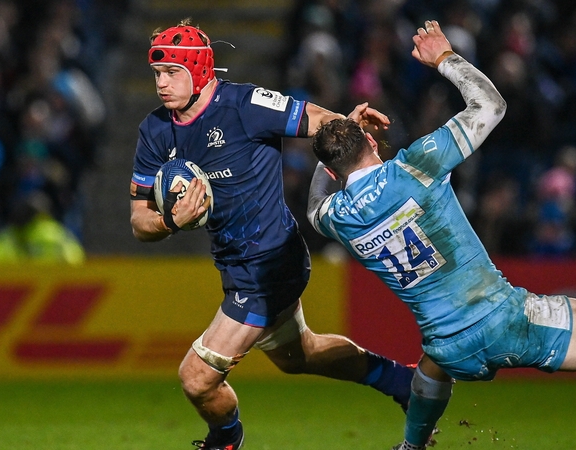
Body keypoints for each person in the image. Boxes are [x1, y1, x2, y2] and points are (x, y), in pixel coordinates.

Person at [307, 20, 576, 450]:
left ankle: (412, 446)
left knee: (432, 363)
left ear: (333, 171)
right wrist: (445, 58)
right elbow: (490, 106)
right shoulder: (413, 165)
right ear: (370, 139)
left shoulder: (338, 216)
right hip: (508, 323)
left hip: (449, 348)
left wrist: (329, 151)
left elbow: (313, 207)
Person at [129, 18, 415, 450]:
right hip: (234, 264)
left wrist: (343, 124)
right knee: (300, 356)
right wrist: (169, 221)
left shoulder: (244, 105)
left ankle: (225, 440)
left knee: (197, 378)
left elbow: (315, 117)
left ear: (199, 71)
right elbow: (138, 220)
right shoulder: (154, 131)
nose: (162, 84)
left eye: (172, 73)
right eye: (157, 74)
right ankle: (405, 383)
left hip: (270, 264)